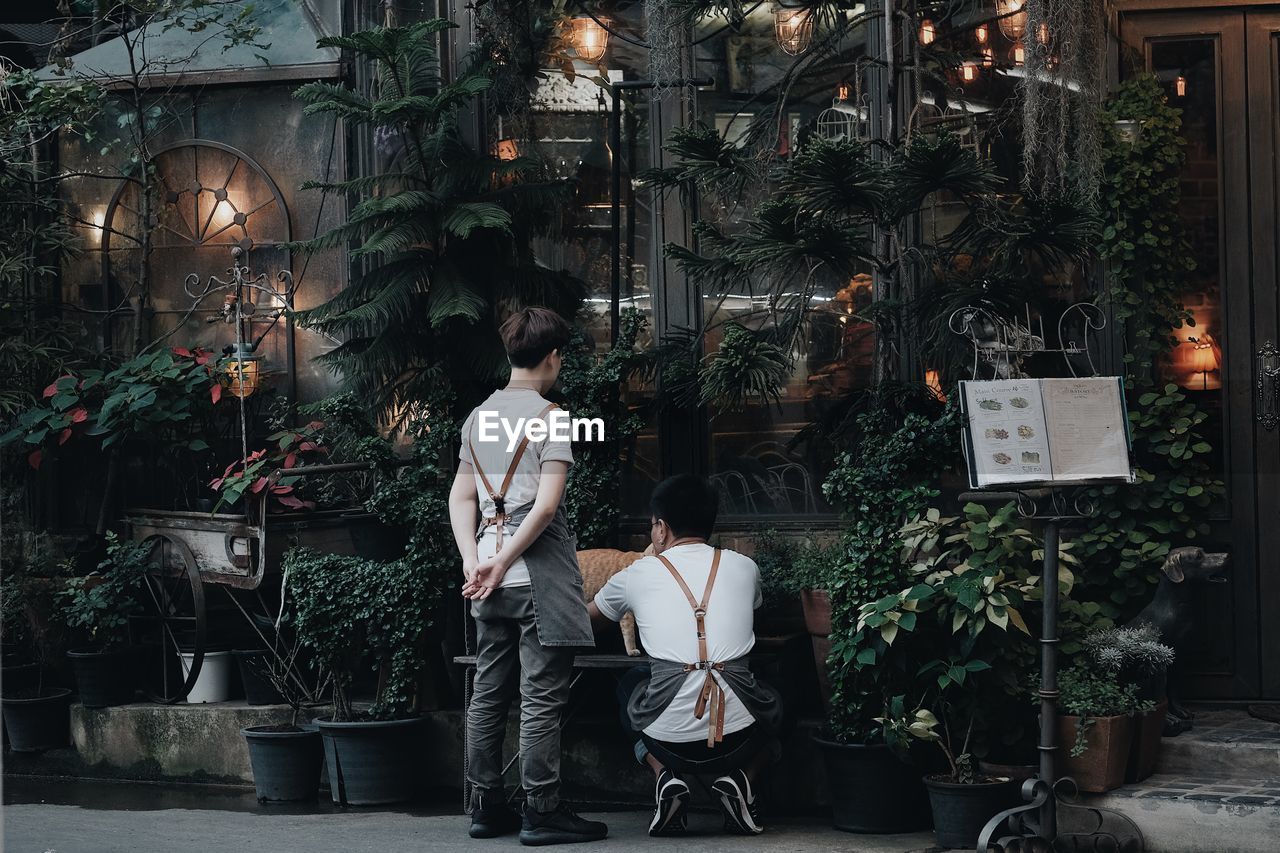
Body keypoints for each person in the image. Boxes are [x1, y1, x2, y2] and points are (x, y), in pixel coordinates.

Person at [448, 307, 607, 846]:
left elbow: (460, 497)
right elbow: (543, 510)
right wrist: (501, 561)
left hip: (488, 581)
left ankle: (485, 806)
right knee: (540, 696)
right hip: (532, 578)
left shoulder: (478, 418)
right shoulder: (552, 418)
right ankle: (542, 810)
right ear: (553, 356)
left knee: (488, 693)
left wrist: (476, 560)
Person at [588, 474, 783, 837]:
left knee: (627, 685)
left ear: (661, 528)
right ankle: (743, 778)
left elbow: (588, 620)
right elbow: (753, 607)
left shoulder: (636, 573)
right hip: (741, 741)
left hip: (668, 743)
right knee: (781, 695)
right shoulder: (745, 567)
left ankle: (664, 775)